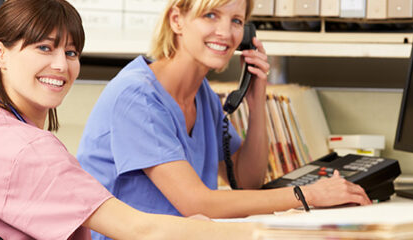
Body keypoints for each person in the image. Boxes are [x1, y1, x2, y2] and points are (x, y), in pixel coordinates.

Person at [77, 0, 371, 232]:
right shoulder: (137, 97)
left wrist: (256, 103)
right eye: (210, 16)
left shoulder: (203, 95)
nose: (226, 33)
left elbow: (246, 181)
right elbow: (195, 201)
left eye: (237, 21)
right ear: (177, 20)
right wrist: (308, 195)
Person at [0, 0, 255, 239]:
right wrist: (266, 233)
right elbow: (141, 230)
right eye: (44, 48)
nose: (62, 65)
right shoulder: (30, 151)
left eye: (71, 53)